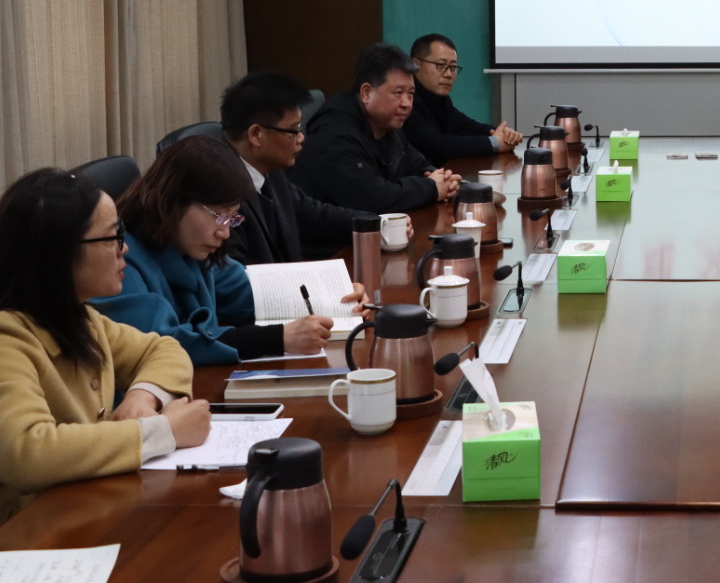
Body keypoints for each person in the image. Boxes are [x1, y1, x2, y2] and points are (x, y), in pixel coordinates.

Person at [0, 169, 209, 572]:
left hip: (61, 521)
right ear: (59, 253)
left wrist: (142, 397)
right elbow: (26, 453)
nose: (125, 249)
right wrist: (161, 432)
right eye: (112, 237)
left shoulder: (75, 315)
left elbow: (162, 348)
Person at [92, 136, 347, 364]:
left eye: (232, 218)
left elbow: (256, 293)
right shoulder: (119, 261)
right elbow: (157, 345)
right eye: (218, 215)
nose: (224, 233)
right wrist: (275, 338)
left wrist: (340, 297)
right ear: (174, 201)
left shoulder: (189, 246)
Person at [219, 70, 376, 265]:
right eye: (294, 130)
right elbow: (234, 274)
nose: (301, 138)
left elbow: (315, 216)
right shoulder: (221, 191)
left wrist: (376, 223)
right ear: (256, 135)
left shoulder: (270, 171)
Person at [291, 43, 462, 212]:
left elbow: (418, 164)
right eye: (398, 93)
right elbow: (374, 199)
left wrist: (443, 180)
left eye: (410, 94)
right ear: (366, 93)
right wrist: (431, 188)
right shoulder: (334, 137)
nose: (407, 104)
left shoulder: (386, 124)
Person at [403, 32, 524, 163]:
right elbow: (438, 146)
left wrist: (504, 135)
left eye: (453, 67)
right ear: (416, 65)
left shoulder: (440, 100)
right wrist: (495, 142)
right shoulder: (406, 102)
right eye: (441, 65)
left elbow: (467, 127)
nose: (449, 74)